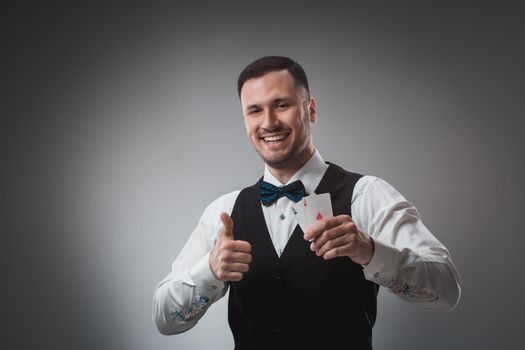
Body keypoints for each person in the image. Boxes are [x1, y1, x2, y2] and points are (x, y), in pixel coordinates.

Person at [152, 56, 461, 349]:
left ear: (310, 110)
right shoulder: (224, 212)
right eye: (254, 110)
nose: (269, 122)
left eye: (281, 105)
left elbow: (446, 290)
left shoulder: (366, 195)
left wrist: (369, 251)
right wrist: (209, 270)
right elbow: (164, 320)